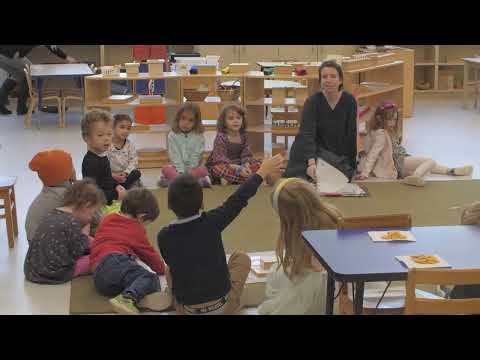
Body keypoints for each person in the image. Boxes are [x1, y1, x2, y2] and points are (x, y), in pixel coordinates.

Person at [157, 154, 284, 315]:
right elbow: (238, 198)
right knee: (241, 258)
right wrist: (261, 172)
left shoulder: (163, 236)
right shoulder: (212, 222)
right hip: (224, 307)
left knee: (170, 270)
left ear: (169, 205)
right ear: (202, 203)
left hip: (188, 309)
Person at [257, 178, 343, 315]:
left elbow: (302, 267)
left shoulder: (298, 232)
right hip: (337, 286)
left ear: (287, 216)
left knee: (279, 280)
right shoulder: (332, 214)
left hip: (318, 285)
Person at [90, 188, 170, 315]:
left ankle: (130, 296)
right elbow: (150, 256)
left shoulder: (108, 218)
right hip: (113, 261)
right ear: (141, 217)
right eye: (147, 224)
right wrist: (163, 269)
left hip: (99, 278)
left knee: (132, 279)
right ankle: (128, 299)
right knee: (150, 278)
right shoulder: (135, 228)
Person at [356, 101, 473, 186]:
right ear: (380, 119)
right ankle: (415, 176)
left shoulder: (388, 130)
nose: (393, 122)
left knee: (428, 168)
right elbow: (373, 154)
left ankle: (452, 171)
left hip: (401, 159)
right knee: (430, 161)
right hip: (398, 161)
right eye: (390, 119)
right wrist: (365, 173)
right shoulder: (381, 134)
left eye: (395, 119)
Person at [284, 60, 358, 181]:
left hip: (335, 153)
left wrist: (352, 166)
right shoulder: (312, 102)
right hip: (314, 150)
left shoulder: (349, 101)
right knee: (302, 171)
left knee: (343, 173)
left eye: (333, 76)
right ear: (320, 81)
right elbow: (307, 134)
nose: (328, 80)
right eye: (324, 77)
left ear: (340, 80)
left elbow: (351, 134)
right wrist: (311, 162)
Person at [24, 179, 105, 284]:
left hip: (33, 270)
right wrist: (85, 235)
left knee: (91, 245)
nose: (91, 218)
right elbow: (77, 252)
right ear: (86, 206)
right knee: (95, 259)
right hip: (54, 273)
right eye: (92, 213)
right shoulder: (72, 222)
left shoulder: (53, 213)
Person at [0, 45, 76, 115]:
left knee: (17, 76)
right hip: (11, 55)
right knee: (31, 73)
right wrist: (67, 57)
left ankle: (1, 106)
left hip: (4, 54)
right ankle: (21, 108)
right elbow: (53, 47)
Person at [25, 149, 76, 243]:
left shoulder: (49, 189)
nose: (74, 169)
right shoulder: (64, 194)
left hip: (34, 238)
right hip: (43, 244)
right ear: (65, 173)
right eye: (72, 167)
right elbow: (84, 210)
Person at [206, 104, 262, 185]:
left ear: (243, 120)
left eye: (238, 118)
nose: (235, 121)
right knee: (217, 169)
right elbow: (220, 159)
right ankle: (249, 179)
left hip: (240, 164)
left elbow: (246, 154)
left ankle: (234, 179)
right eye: (231, 118)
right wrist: (238, 169)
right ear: (224, 122)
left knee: (259, 164)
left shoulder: (244, 135)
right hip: (226, 165)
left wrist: (246, 166)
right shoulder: (221, 137)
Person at [159, 103, 211, 188]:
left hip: (194, 168)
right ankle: (191, 182)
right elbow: (174, 155)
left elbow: (197, 154)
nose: (186, 123)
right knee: (166, 169)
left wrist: (190, 170)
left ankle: (177, 182)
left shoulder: (199, 136)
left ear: (196, 122)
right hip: (177, 169)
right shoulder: (172, 135)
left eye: (190, 120)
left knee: (204, 170)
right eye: (183, 118)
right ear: (178, 118)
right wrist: (181, 172)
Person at [81, 109, 126, 205]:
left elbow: (107, 179)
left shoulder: (102, 156)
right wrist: (116, 195)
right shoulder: (90, 162)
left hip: (108, 200)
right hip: (98, 207)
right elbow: (92, 194)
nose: (106, 138)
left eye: (109, 134)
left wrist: (116, 185)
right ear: (86, 138)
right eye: (100, 135)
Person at [107, 114, 142, 190]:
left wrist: (126, 173)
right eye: (122, 127)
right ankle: (122, 187)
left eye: (128, 128)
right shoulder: (108, 144)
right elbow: (104, 164)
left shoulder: (130, 145)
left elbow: (133, 161)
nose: (126, 131)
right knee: (105, 180)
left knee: (136, 173)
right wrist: (113, 175)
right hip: (112, 175)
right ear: (113, 128)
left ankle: (123, 187)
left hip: (126, 175)